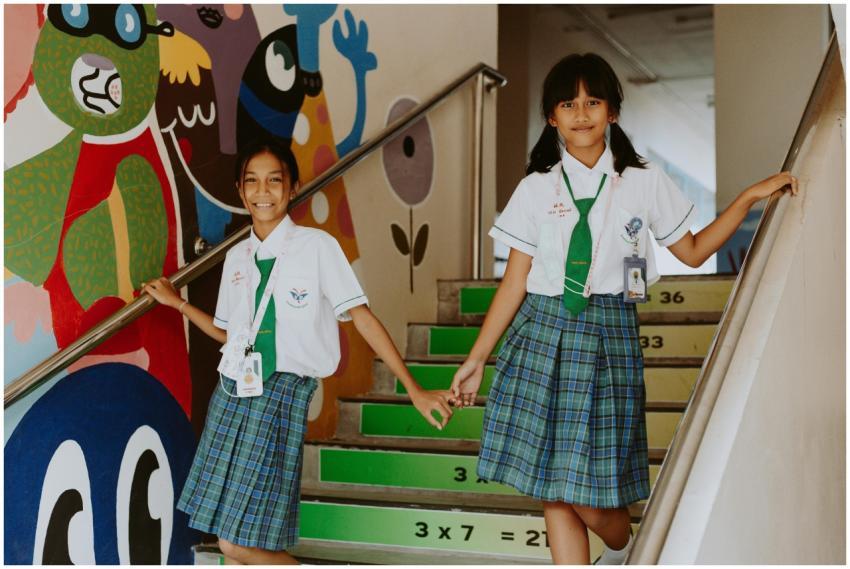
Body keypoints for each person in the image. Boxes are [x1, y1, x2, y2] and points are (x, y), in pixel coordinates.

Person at [449, 53, 798, 565]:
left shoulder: (642, 180)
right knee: (553, 486)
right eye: (568, 104)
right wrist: (478, 357)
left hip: (607, 332)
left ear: (612, 110)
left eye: (593, 101)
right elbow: (515, 281)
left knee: (590, 498)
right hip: (541, 332)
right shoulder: (536, 187)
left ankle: (628, 544)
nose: (581, 113)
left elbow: (694, 251)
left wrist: (747, 197)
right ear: (552, 117)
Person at [144, 138, 454, 565]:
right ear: (239, 189)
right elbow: (226, 332)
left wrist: (414, 389)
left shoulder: (317, 247)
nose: (262, 191)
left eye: (274, 181)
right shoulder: (236, 257)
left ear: (291, 189)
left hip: (283, 392)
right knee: (238, 539)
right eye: (252, 181)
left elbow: (361, 317)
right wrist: (177, 303)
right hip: (234, 392)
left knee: (239, 542)